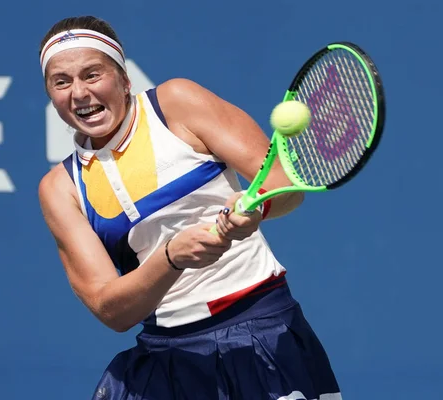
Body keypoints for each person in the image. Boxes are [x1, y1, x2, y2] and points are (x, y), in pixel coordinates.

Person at [38, 15, 342, 400]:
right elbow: (111, 309)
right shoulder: (60, 189)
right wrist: (170, 258)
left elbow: (284, 186)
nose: (79, 93)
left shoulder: (178, 103)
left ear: (124, 79)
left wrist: (255, 212)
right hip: (166, 362)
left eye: (92, 74)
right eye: (61, 81)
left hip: (261, 333)